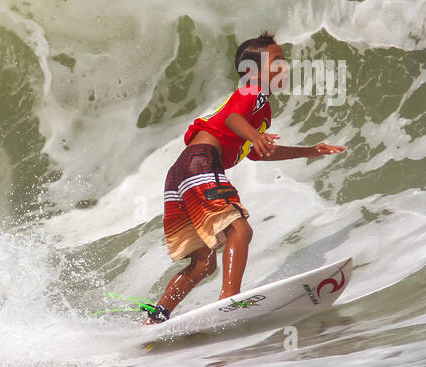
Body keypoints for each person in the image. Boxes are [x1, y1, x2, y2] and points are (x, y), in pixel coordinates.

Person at [147, 33, 345, 323]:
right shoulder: (251, 92)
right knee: (240, 230)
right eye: (277, 61)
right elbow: (232, 121)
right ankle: (229, 300)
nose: (285, 67)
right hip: (201, 162)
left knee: (202, 264)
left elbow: (256, 153)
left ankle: (156, 318)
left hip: (182, 173)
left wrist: (308, 151)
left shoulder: (260, 107)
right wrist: (254, 134)